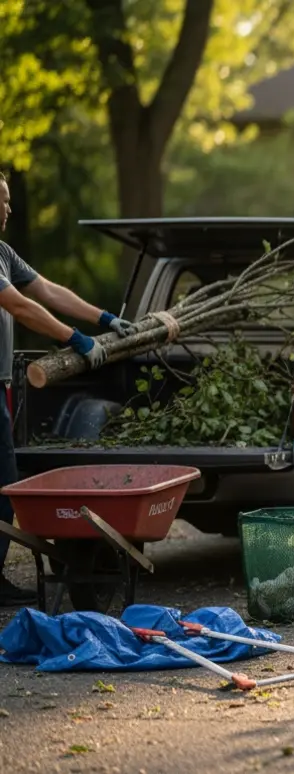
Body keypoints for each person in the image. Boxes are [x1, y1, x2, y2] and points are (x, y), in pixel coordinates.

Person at [0, 172, 134, 605]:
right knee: (3, 483)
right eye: (2, 201)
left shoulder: (2, 252)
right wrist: (73, 339)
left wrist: (103, 319)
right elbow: (20, 306)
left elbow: (47, 290)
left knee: (3, 486)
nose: (8, 209)